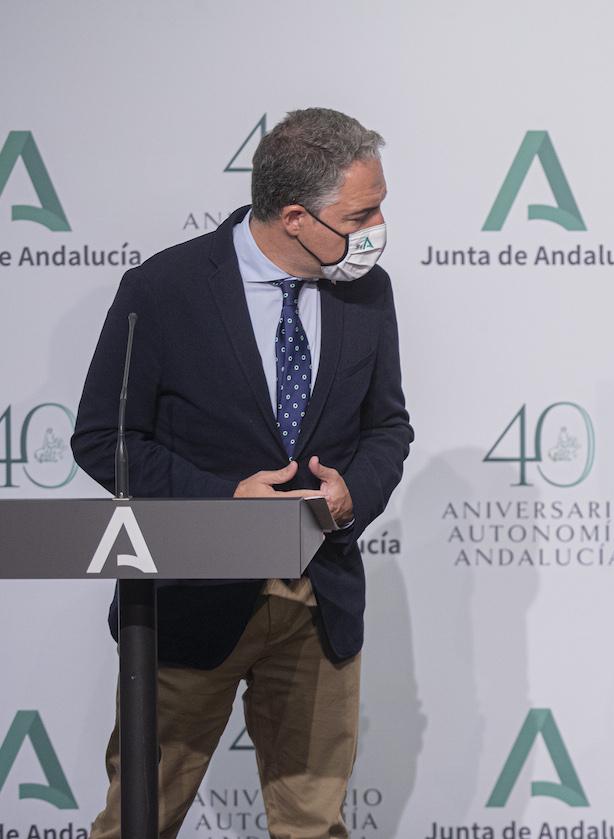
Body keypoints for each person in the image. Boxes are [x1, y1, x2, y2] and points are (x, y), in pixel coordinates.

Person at [72, 107, 413, 839]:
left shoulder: (367, 291)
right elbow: (105, 437)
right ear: (295, 216)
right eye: (363, 212)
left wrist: (355, 491)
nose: (379, 226)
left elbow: (388, 426)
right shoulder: (163, 289)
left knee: (314, 827)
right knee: (139, 819)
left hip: (320, 600)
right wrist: (224, 499)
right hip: (190, 602)